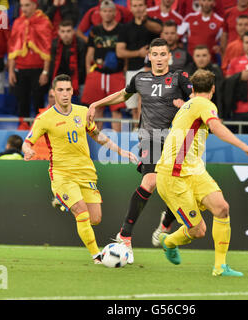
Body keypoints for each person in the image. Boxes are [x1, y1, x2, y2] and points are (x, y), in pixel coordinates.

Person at [87, 38, 193, 262]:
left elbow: (195, 104)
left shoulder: (179, 78)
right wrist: (96, 103)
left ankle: (164, 226)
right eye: (155, 54)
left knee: (181, 187)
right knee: (151, 182)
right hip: (151, 137)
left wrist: (184, 106)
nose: (159, 58)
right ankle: (124, 235)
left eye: (163, 54)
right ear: (150, 57)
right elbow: (121, 95)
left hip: (178, 139)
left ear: (169, 57)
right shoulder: (140, 78)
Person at [22, 74, 137, 264]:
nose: (65, 94)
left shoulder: (83, 112)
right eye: (60, 90)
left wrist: (121, 151)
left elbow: (97, 135)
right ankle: (97, 256)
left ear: (73, 91)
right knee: (82, 214)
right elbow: (28, 142)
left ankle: (63, 202)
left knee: (95, 218)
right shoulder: (45, 118)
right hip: (62, 174)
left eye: (68, 90)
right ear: (53, 92)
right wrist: (28, 151)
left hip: (85, 172)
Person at [155, 69, 248, 276]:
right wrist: (243, 146)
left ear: (193, 88)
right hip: (173, 174)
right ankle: (170, 241)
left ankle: (220, 267)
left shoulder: (188, 104)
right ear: (213, 88)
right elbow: (217, 127)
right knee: (198, 231)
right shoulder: (205, 104)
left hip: (194, 170)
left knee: (222, 208)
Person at [81, 0, 126, 132]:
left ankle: (118, 142)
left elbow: (124, 52)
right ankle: (95, 140)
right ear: (100, 13)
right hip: (98, 73)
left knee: (117, 110)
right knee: (96, 109)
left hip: (116, 74)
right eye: (104, 11)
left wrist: (124, 70)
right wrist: (88, 73)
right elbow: (89, 53)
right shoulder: (95, 30)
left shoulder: (122, 29)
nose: (107, 14)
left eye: (110, 11)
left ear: (115, 13)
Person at [116, 0, 163, 125]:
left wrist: (145, 21)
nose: (138, 8)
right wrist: (138, 53)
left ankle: (144, 129)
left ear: (146, 7)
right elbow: (120, 52)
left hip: (150, 70)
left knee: (145, 104)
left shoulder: (153, 22)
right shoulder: (125, 28)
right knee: (133, 108)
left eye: (141, 5)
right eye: (135, 6)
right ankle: (137, 130)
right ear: (130, 8)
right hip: (132, 70)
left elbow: (158, 29)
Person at [8, 0, 53, 120]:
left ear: (35, 6)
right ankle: (23, 126)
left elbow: (47, 48)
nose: (23, 8)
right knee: (22, 101)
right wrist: (11, 71)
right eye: (22, 5)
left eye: (27, 5)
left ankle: (40, 129)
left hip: (38, 69)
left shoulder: (43, 22)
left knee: (38, 101)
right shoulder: (18, 23)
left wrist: (45, 72)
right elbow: (13, 48)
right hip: (21, 68)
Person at [49, 19, 87, 102]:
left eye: (68, 31)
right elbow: (53, 66)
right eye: (62, 31)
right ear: (58, 32)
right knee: (52, 99)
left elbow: (82, 67)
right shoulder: (55, 44)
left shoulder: (81, 44)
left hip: (79, 81)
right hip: (59, 80)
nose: (65, 34)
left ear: (73, 31)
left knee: (83, 104)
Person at [184, 45, 223, 110]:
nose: (201, 59)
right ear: (193, 57)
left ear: (209, 57)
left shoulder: (216, 71)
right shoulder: (187, 71)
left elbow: (220, 94)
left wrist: (220, 114)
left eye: (204, 55)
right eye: (198, 56)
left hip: (212, 109)